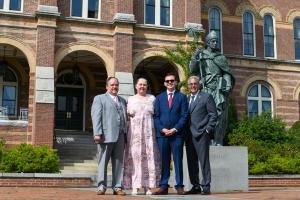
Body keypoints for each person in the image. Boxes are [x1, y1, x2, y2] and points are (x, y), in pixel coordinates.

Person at [189, 30, 235, 145]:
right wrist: (195, 57)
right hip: (206, 88)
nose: (215, 43)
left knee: (219, 115)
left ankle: (218, 139)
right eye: (213, 41)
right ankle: (207, 139)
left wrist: (227, 82)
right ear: (208, 42)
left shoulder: (221, 57)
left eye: (216, 41)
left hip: (218, 89)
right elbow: (193, 69)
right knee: (205, 115)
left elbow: (226, 72)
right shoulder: (202, 55)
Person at [123, 78, 161, 195]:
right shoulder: (130, 99)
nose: (142, 87)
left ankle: (148, 186)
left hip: (149, 136)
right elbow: (127, 117)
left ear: (147, 86)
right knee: (134, 159)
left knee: (149, 160)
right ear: (136, 86)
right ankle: (135, 186)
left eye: (144, 85)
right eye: (140, 84)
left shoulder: (152, 99)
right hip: (135, 135)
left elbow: (157, 115)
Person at [153, 73, 189, 195]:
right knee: (164, 161)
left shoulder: (182, 97)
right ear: (164, 83)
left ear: (176, 82)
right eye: (167, 81)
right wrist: (162, 129)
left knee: (178, 160)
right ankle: (163, 186)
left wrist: (175, 129)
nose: (169, 83)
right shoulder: (158, 98)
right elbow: (156, 117)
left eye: (172, 81)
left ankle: (179, 186)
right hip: (162, 135)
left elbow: (184, 115)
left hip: (177, 135)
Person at [91, 77, 127, 196]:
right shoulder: (100, 98)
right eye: (112, 85)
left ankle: (117, 187)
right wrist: (97, 133)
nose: (114, 87)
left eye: (116, 85)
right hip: (105, 136)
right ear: (107, 86)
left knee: (118, 163)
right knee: (103, 162)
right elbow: (96, 116)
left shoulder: (122, 100)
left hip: (120, 136)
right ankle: (101, 186)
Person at [185, 76, 217, 195]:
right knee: (191, 162)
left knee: (203, 161)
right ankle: (196, 186)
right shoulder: (186, 99)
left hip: (202, 134)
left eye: (195, 84)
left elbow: (213, 115)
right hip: (189, 135)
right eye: (191, 84)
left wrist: (208, 129)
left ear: (198, 85)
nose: (193, 86)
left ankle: (206, 186)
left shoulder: (206, 97)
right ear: (188, 86)